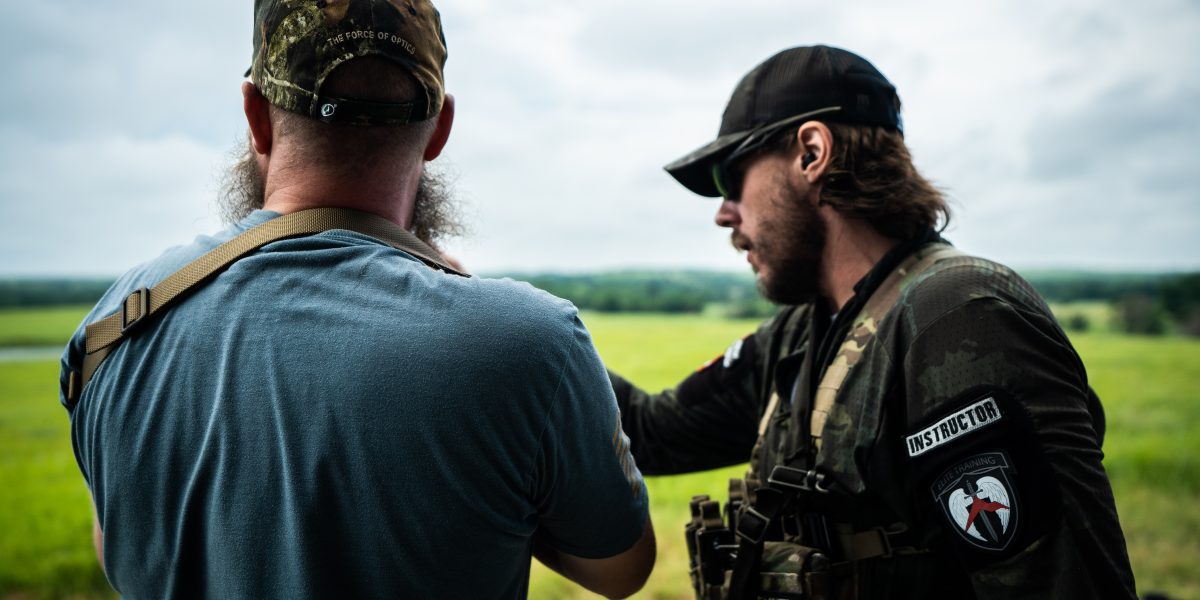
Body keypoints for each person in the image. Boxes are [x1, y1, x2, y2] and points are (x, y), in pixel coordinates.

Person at [57, 1, 655, 597]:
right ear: (439, 130)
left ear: (256, 116)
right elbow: (621, 570)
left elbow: (117, 544)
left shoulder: (111, 329)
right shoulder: (529, 345)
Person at [610, 45, 1136, 599]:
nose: (723, 212)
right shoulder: (805, 332)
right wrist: (538, 333)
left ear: (812, 152)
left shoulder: (958, 316)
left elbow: (1062, 584)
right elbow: (647, 434)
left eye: (730, 176)